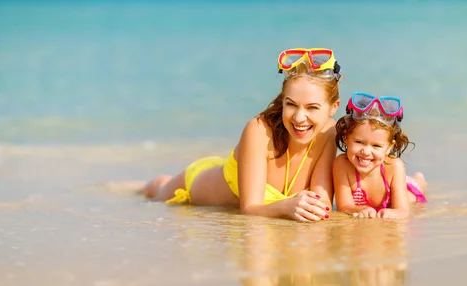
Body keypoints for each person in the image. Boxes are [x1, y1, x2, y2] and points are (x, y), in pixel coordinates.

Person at [135, 48, 343, 222]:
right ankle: (141, 185)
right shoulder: (259, 130)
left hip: (235, 170)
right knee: (159, 191)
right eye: (291, 104)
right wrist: (287, 206)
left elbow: (322, 205)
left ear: (333, 107)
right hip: (199, 185)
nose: (299, 117)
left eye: (312, 108)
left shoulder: (328, 132)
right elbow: (250, 209)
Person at [333, 92, 427, 219]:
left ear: (389, 147)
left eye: (376, 146)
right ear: (346, 138)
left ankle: (419, 180)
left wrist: (394, 212)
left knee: (411, 196)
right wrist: (362, 209)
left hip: (398, 187)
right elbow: (344, 206)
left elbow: (402, 210)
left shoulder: (395, 166)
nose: (366, 151)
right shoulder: (341, 164)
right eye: (359, 142)